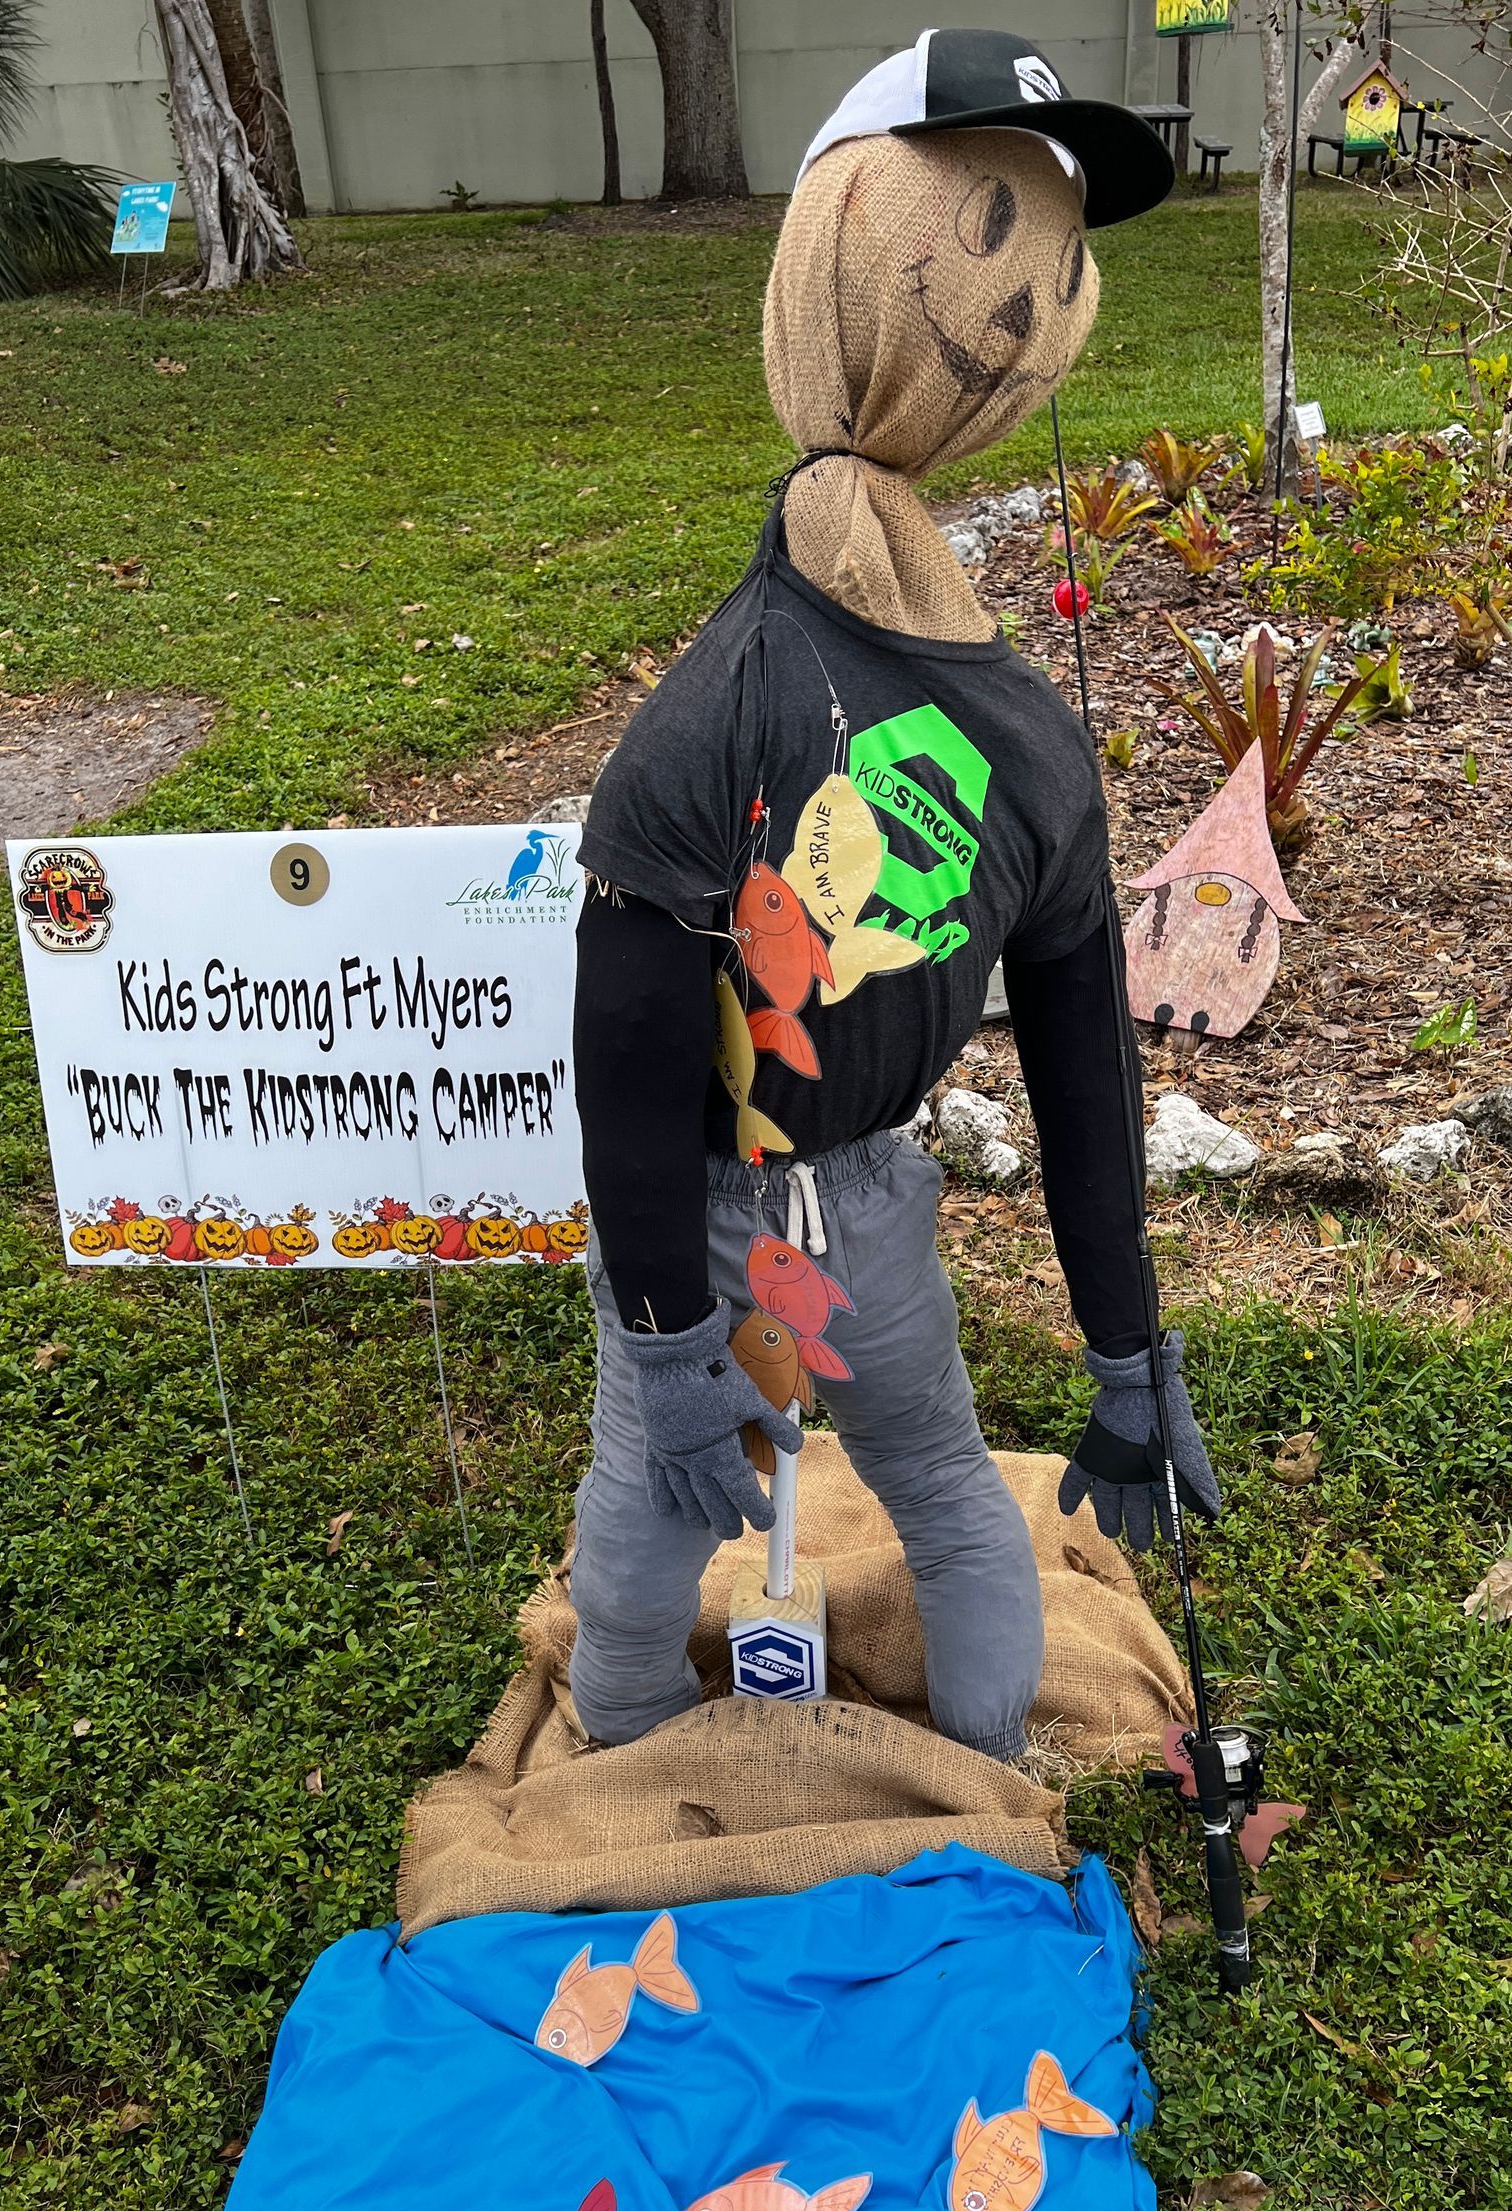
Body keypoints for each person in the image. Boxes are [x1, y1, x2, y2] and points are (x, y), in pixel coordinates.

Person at [569, 29, 1224, 1760]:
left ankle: (775, 1779)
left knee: (711, 1502)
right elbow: (631, 1051)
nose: (1018, 303)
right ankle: (702, 1774)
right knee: (770, 1489)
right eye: (981, 231)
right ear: (850, 245)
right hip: (755, 1216)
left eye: (1049, 255)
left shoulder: (947, 732)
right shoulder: (945, 729)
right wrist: (663, 1342)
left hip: (815, 1207)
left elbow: (1090, 1058)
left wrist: (1125, 1344)